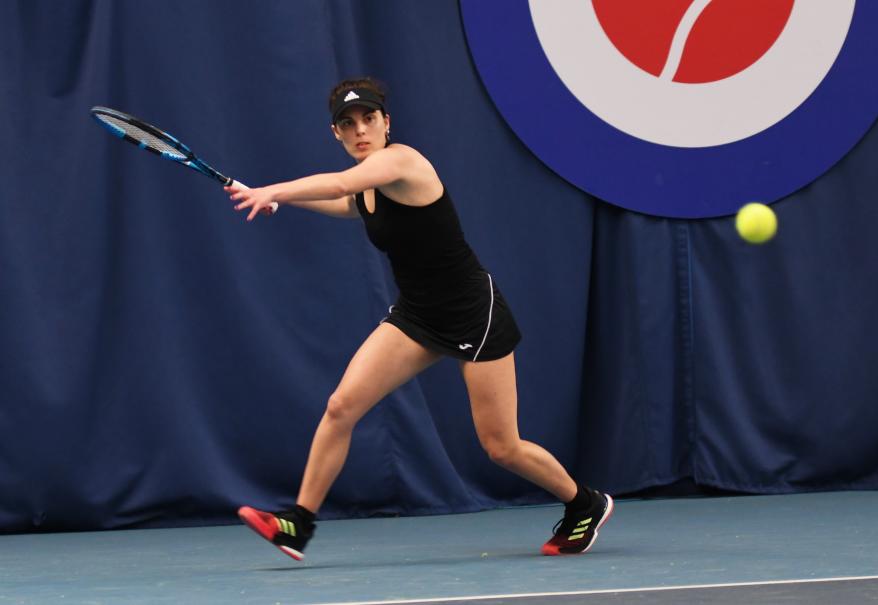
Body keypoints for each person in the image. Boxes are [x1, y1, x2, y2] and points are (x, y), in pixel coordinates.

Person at [226, 78, 613, 561]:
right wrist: (276, 198)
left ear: (386, 123)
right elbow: (346, 202)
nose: (361, 130)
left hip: (474, 314)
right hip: (418, 314)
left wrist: (271, 189)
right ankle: (298, 524)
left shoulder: (402, 161)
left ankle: (585, 503)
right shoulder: (370, 186)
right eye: (349, 125)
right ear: (337, 134)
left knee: (501, 446)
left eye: (369, 119)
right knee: (341, 406)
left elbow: (343, 184)